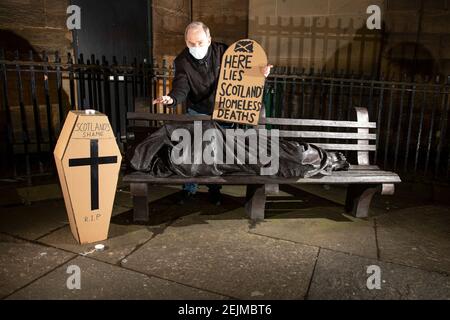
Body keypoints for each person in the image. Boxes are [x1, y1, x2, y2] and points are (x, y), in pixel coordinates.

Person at [153, 21, 272, 206]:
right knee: (192, 150)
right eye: (191, 44)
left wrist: (260, 73)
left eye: (200, 42)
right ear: (186, 42)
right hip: (197, 110)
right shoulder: (182, 61)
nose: (196, 47)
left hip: (223, 110)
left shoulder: (224, 52)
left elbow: (243, 72)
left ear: (209, 39)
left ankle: (215, 190)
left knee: (216, 152)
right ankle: (189, 189)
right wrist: (171, 99)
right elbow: (181, 87)